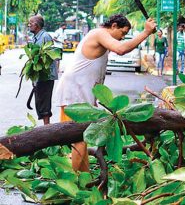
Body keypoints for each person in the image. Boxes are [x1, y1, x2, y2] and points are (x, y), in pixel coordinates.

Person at [55, 14, 156, 172]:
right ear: (114, 26)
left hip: (80, 91)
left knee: (82, 138)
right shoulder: (99, 33)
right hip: (74, 91)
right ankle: (78, 179)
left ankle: (84, 175)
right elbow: (121, 49)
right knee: (78, 139)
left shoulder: (101, 37)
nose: (122, 38)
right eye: (122, 33)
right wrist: (145, 33)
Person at [28, 15, 58, 125]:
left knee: (44, 100)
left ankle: (47, 127)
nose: (29, 25)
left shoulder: (45, 36)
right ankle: (45, 127)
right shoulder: (35, 37)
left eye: (30, 23)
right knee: (39, 100)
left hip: (46, 74)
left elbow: (52, 55)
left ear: (36, 25)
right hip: (38, 74)